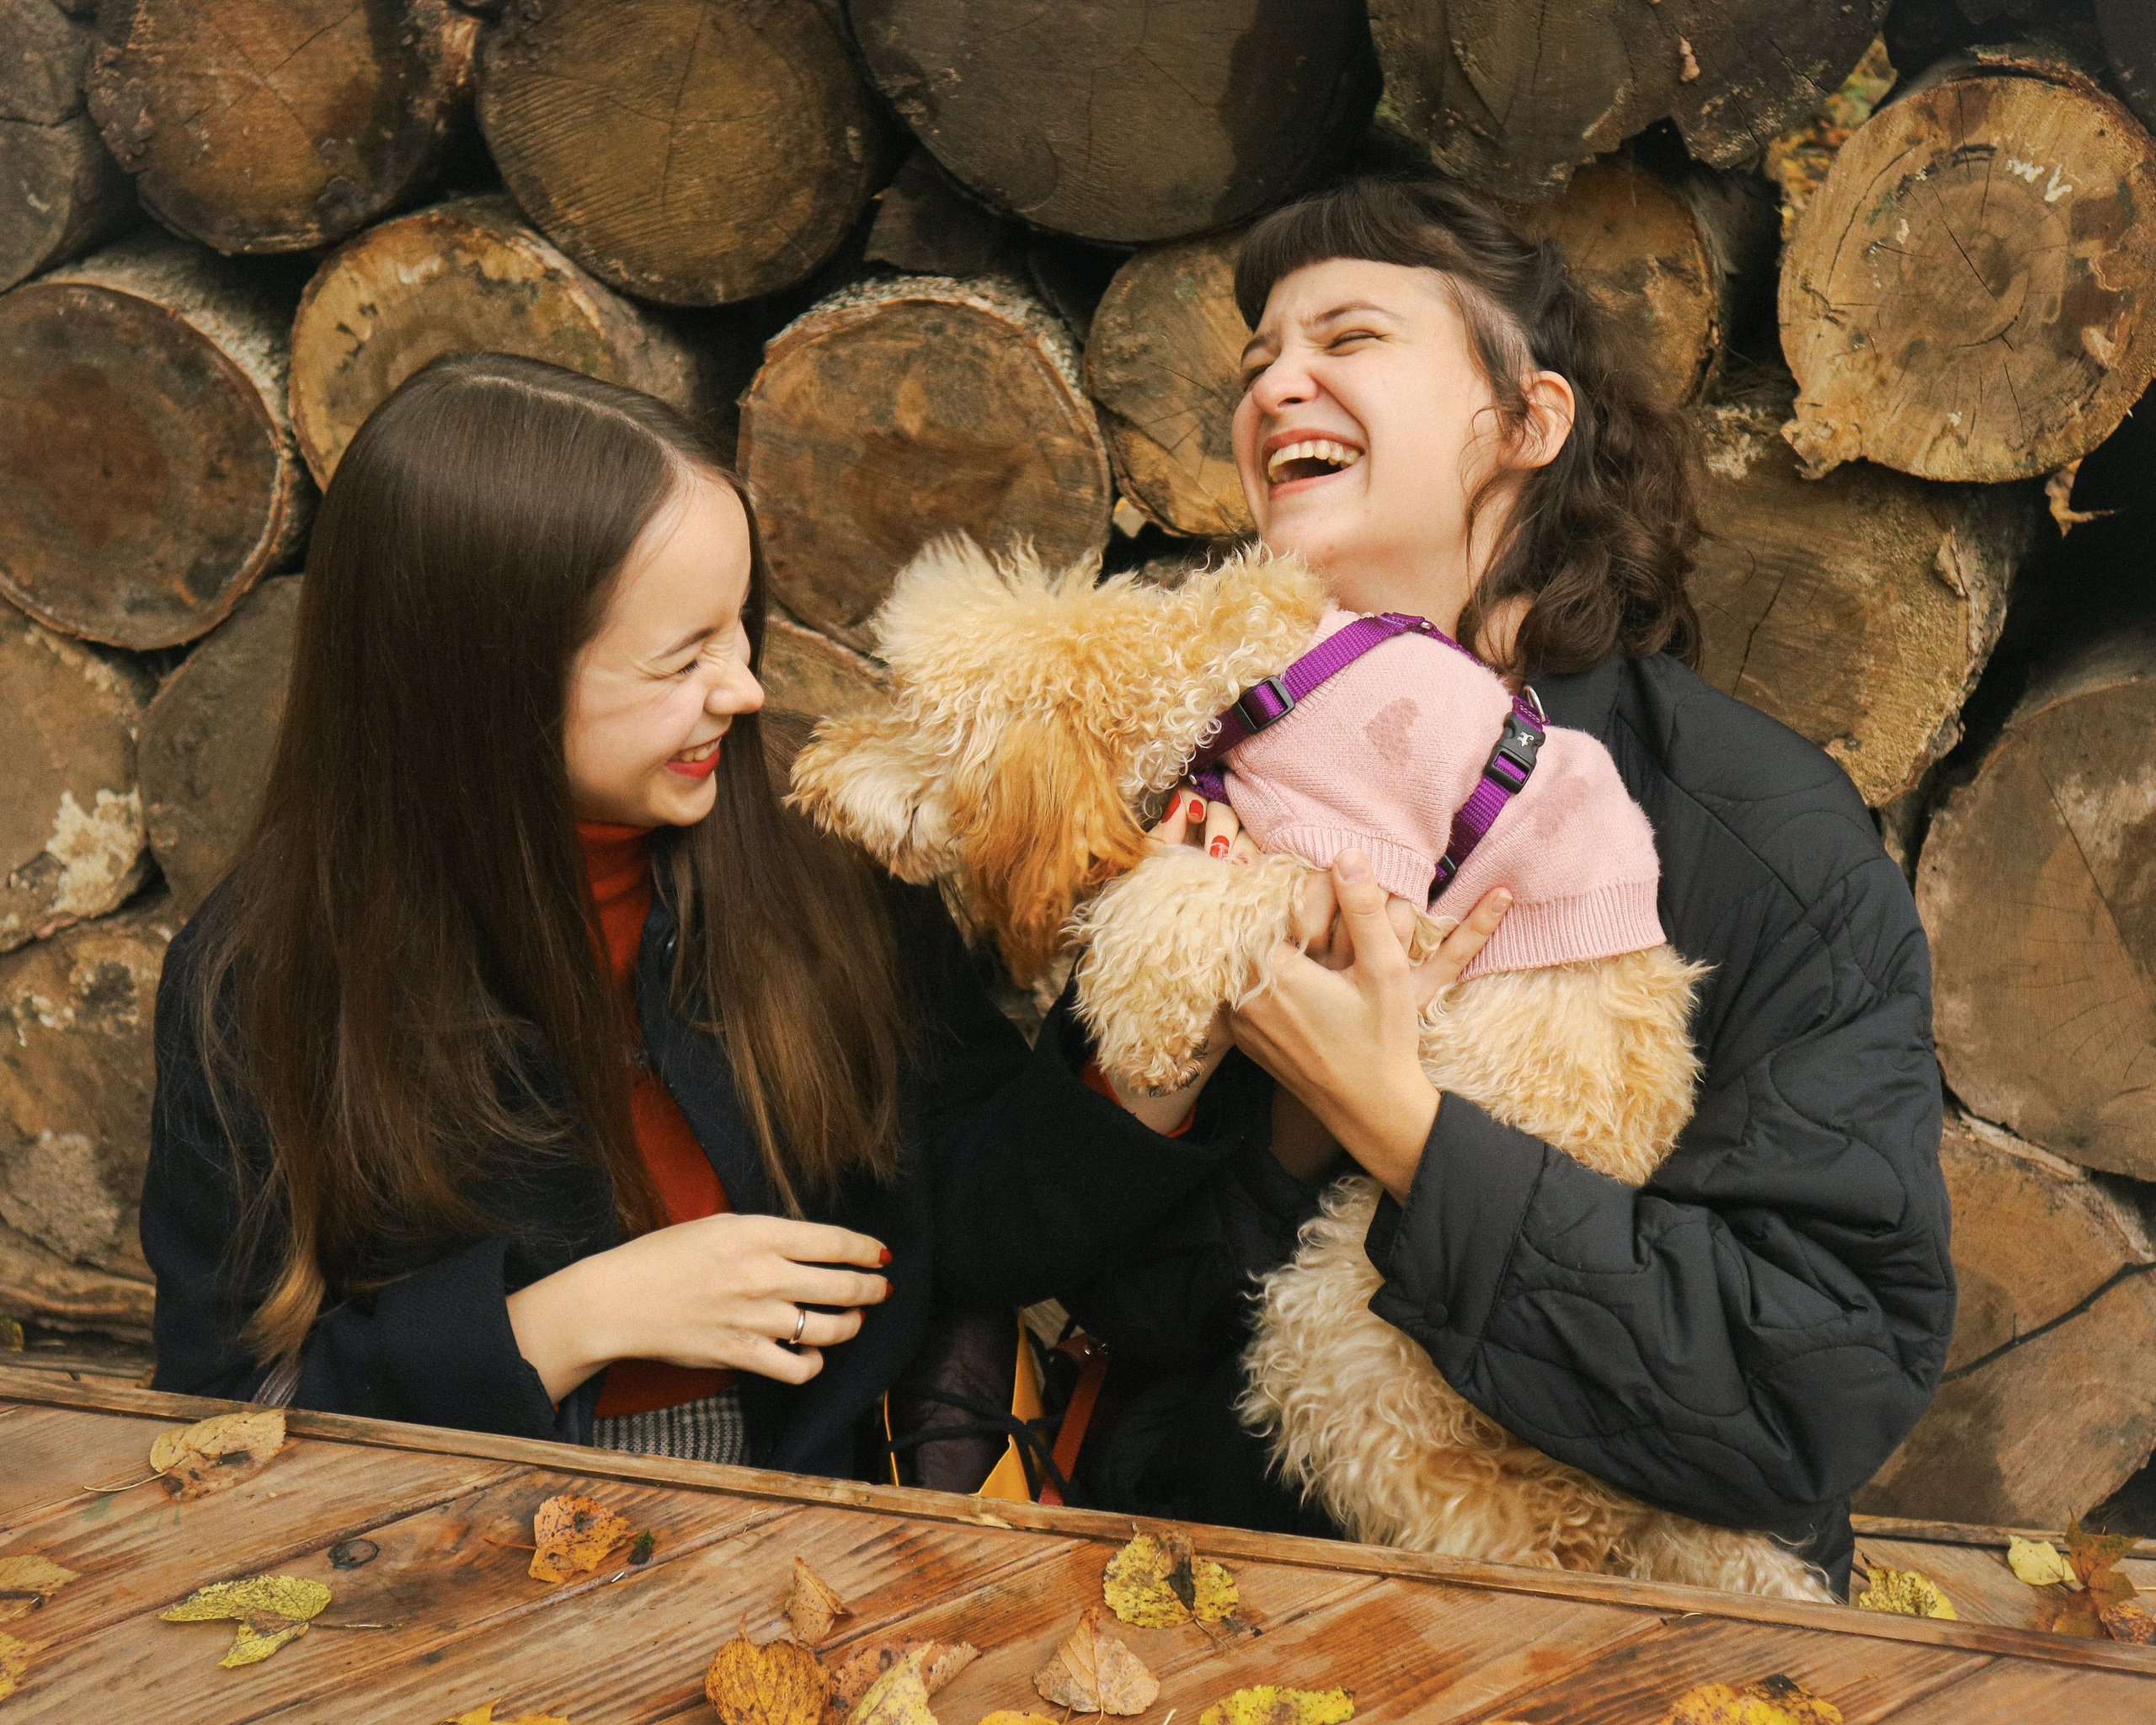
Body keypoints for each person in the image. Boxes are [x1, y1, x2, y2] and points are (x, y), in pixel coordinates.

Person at [139, 352, 1504, 1480]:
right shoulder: (260, 982)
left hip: (833, 1538)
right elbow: (219, 1419)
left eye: (741, 628)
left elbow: (974, 1225)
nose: (740, 692)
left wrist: (1166, 1035)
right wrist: (558, 1326)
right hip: (455, 1562)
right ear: (479, 688)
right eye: (681, 661)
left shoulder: (801, 866)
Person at [1065, 179, 1951, 1598]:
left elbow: (1807, 1390)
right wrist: (1288, 1133)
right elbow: (1129, 1304)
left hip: (1608, 1622)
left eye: (1348, 337)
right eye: (1255, 361)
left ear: (1529, 424)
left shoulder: (1759, 841)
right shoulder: (1217, 772)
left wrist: (1398, 1121)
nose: (1277, 380)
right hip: (1216, 1588)